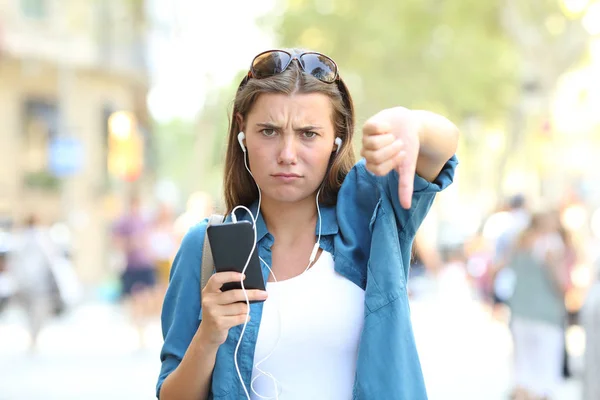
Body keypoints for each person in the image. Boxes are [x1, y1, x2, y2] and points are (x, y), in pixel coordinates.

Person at [157, 49, 459, 400]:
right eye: (269, 131)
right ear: (242, 133)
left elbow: (442, 149)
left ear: (337, 138)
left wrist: (411, 123)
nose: (287, 153)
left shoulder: (369, 214)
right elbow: (171, 394)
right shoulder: (206, 245)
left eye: (308, 134)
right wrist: (208, 336)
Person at [506, 213, 568, 400]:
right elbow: (561, 284)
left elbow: (501, 269)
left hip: (520, 313)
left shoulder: (519, 242)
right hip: (546, 316)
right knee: (544, 378)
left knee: (523, 374)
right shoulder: (551, 244)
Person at [112, 195, 157, 346]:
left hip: (145, 263)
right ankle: (138, 327)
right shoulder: (124, 222)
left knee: (146, 296)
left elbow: (150, 240)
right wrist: (132, 243)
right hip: (131, 265)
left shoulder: (145, 221)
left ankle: (142, 324)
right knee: (133, 297)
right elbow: (117, 242)